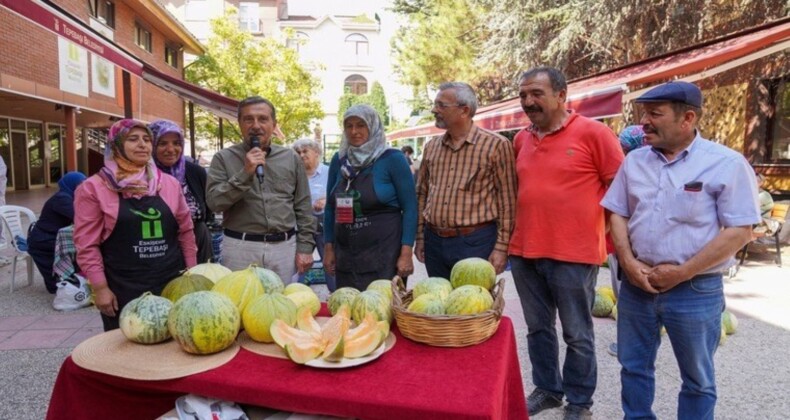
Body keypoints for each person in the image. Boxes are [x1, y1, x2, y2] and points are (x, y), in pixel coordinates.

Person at [601, 81, 760, 420]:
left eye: (655, 114)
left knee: (698, 380)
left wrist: (682, 272)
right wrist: (627, 262)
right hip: (636, 287)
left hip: (694, 290)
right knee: (633, 368)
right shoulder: (635, 162)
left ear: (687, 118)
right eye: (644, 113)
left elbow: (740, 230)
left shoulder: (726, 164)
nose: (644, 122)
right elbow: (617, 211)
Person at [508, 67, 624, 420]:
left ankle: (579, 402)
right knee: (538, 329)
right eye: (524, 95)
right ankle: (547, 389)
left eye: (536, 94)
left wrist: (606, 235)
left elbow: (622, 191)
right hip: (525, 251)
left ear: (561, 95)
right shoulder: (520, 140)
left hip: (574, 253)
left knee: (577, 333)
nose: (528, 101)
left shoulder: (595, 133)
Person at [74, 119, 197, 331]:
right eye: (133, 139)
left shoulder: (168, 183)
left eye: (147, 139)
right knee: (128, 347)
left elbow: (185, 232)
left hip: (171, 281)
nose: (142, 145)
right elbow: (86, 245)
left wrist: (192, 274)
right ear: (116, 144)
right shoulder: (93, 188)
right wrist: (100, 288)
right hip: (123, 286)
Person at [206, 96, 315, 283]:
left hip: (284, 248)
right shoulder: (223, 158)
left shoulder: (290, 157)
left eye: (263, 119)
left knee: (283, 305)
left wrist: (305, 247)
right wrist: (245, 173)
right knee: (240, 306)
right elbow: (215, 203)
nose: (256, 125)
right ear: (240, 123)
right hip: (240, 248)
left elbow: (303, 206)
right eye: (248, 119)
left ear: (274, 124)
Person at [415, 82, 517, 279]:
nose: (434, 110)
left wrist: (501, 248)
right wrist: (420, 237)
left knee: (472, 306)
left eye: (441, 105)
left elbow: (508, 203)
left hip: (476, 242)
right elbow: (422, 194)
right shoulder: (432, 147)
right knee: (438, 303)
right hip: (433, 240)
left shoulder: (496, 145)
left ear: (464, 110)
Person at [323, 104, 417, 290]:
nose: (354, 131)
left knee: (383, 310)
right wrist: (328, 247)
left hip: (385, 253)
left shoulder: (392, 159)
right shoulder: (340, 159)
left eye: (361, 125)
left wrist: (406, 252)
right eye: (349, 126)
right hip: (346, 253)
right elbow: (330, 208)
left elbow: (411, 208)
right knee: (348, 309)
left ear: (373, 127)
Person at [149, 119, 214, 263]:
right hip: (158, 248)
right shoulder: (143, 176)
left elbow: (207, 211)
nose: (171, 149)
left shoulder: (195, 172)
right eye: (163, 143)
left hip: (199, 243)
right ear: (151, 146)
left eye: (176, 143)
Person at [607, 125, 647, 357]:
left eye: (623, 146)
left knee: (626, 294)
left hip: (626, 246)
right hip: (625, 246)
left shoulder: (629, 168)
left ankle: (626, 343)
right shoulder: (633, 167)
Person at [26, 171, 87, 293]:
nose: (84, 187)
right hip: (43, 241)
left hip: (53, 237)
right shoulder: (62, 199)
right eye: (81, 184)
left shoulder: (70, 196)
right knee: (57, 287)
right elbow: (80, 218)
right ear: (72, 184)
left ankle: (80, 278)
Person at [292, 138, 335, 291]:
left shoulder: (329, 172)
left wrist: (326, 200)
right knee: (300, 263)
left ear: (316, 153)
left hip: (325, 223)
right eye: (298, 152)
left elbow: (342, 194)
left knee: (329, 263)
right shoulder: (294, 174)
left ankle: (335, 295)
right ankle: (296, 295)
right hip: (302, 225)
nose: (301, 155)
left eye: (305, 151)